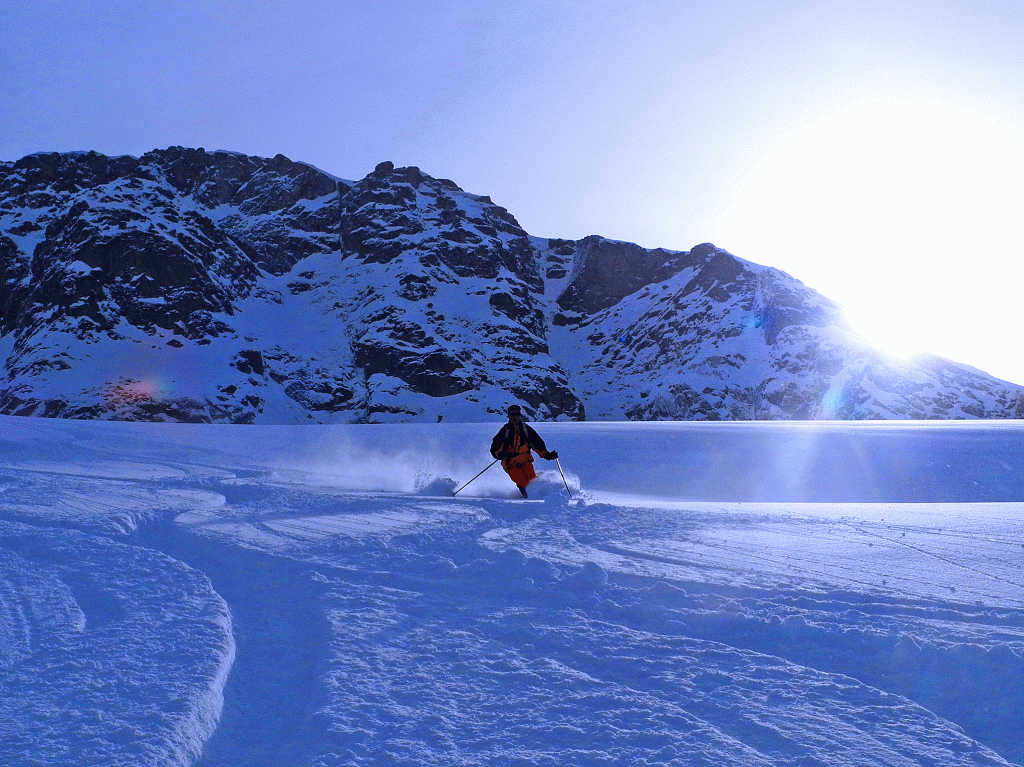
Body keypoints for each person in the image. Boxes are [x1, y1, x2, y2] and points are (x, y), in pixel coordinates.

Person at [489, 404, 558, 497]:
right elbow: (495, 446)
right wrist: (499, 455)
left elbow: (537, 444)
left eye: (517, 414)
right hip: (510, 462)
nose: (515, 417)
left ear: (520, 415)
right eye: (512, 415)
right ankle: (529, 497)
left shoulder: (526, 430)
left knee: (532, 479)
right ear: (508, 416)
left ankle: (539, 496)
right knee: (521, 480)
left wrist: (547, 455)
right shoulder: (505, 431)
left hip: (525, 459)